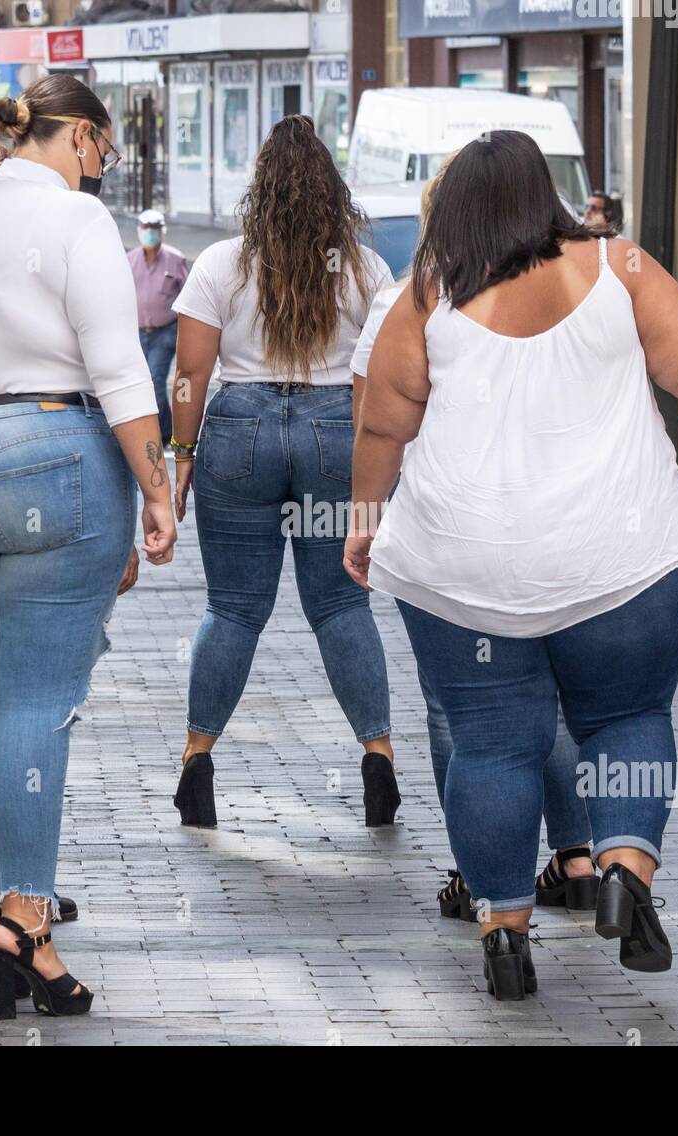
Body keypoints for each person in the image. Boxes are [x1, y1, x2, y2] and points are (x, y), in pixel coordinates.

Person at [344, 129, 678, 1000]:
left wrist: (365, 521)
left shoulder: (429, 296)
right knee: (629, 715)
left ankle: (502, 933)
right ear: (547, 194)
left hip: (464, 572)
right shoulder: (622, 267)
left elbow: (383, 427)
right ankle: (626, 875)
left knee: (490, 746)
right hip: (623, 560)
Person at [0, 74, 176, 1019]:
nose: (100, 169)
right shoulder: (76, 221)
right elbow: (117, 367)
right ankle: (23, 912)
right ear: (79, 140)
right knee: (38, 706)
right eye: (101, 151)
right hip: (50, 455)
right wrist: (160, 488)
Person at [349, 163, 598, 919]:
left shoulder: (409, 300)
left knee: (460, 710)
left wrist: (365, 519)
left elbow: (374, 420)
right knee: (548, 699)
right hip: (552, 527)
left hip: (451, 539)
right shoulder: (572, 296)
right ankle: (579, 855)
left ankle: (483, 876)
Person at [169, 114, 397, 832]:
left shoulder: (221, 263)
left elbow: (189, 373)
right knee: (341, 605)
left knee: (233, 607)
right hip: (335, 429)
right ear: (332, 191)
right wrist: (374, 481)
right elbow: (379, 379)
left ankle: (196, 764)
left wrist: (178, 461)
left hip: (239, 430)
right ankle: (379, 760)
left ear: (258, 188)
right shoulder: (364, 270)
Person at [128, 208, 189, 445]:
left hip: (164, 332)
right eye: (146, 228)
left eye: (155, 229)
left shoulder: (175, 259)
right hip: (138, 331)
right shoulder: (130, 260)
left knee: (155, 379)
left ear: (162, 231)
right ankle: (160, 426)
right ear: (139, 231)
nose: (150, 233)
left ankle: (163, 432)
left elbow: (188, 297)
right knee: (141, 382)